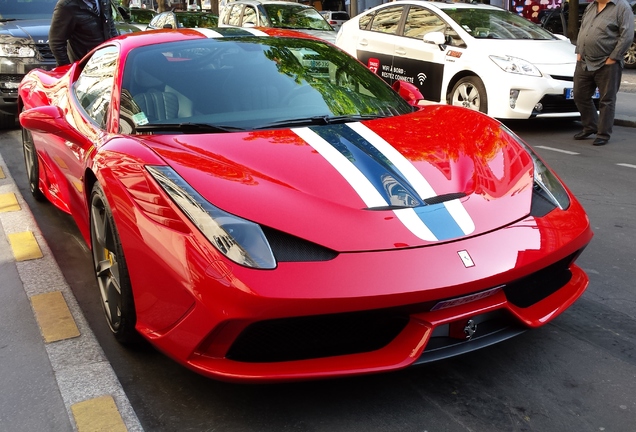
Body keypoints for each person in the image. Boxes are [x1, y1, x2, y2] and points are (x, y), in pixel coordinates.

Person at [573, 0, 634, 146]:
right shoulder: (591, 6)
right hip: (585, 61)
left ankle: (603, 134)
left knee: (607, 100)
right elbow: (584, 28)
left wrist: (613, 57)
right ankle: (590, 126)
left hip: (607, 63)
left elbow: (627, 35)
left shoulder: (622, 7)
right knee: (579, 95)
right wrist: (579, 52)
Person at [49, 0, 119, 67]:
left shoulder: (104, 1)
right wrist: (69, 69)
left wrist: (118, 51)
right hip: (84, 67)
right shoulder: (66, 6)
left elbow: (110, 27)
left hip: (107, 62)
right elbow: (56, 42)